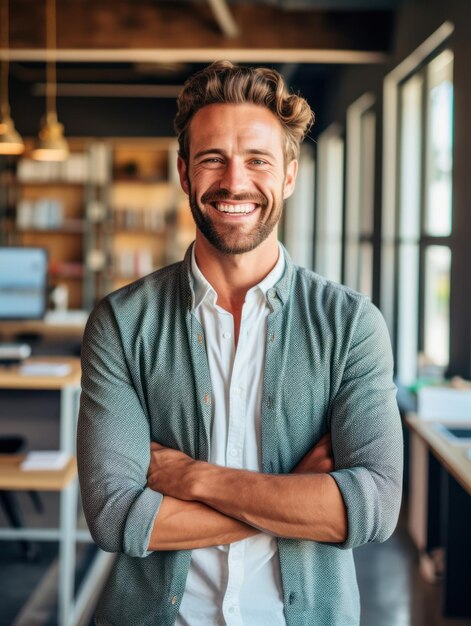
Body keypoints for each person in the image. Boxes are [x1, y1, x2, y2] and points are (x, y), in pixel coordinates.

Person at [77, 60, 403, 626]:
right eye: (212, 159)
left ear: (289, 175)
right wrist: (300, 495)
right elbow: (116, 517)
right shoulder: (122, 323)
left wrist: (195, 479)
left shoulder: (352, 325)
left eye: (257, 160)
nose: (234, 182)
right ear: (184, 173)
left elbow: (373, 507)